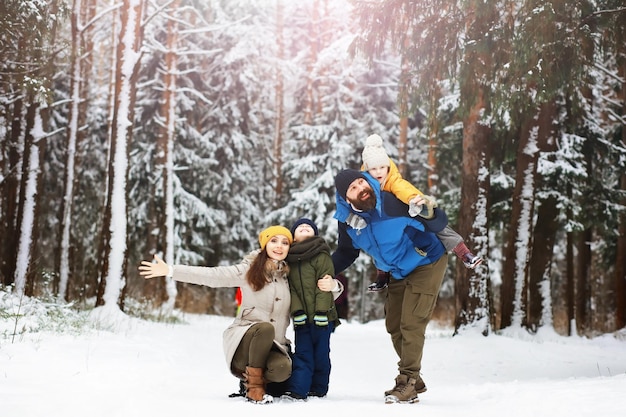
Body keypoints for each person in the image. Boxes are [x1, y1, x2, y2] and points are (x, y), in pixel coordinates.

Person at [138, 225, 343, 404]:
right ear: (264, 244)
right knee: (264, 328)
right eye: (273, 241)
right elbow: (213, 275)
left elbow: (312, 292)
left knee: (282, 371)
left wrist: (334, 285)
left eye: (284, 242)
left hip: (275, 344)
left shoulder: (287, 278)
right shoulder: (249, 270)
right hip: (245, 341)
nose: (279, 246)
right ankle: (253, 387)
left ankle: (259, 381)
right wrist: (172, 270)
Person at [331, 168, 449, 404]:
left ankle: (408, 381)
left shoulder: (392, 201)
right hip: (397, 270)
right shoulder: (349, 223)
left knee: (411, 322)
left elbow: (438, 222)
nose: (361, 189)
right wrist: (322, 272)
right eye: (353, 188)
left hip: (427, 260)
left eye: (361, 182)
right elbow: (346, 252)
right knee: (394, 324)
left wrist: (430, 210)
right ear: (345, 198)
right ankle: (413, 375)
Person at [342, 134, 482, 291]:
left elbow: (405, 190)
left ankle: (463, 252)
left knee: (434, 223)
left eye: (382, 167)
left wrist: (414, 200)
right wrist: (353, 218)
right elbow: (350, 203)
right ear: (367, 171)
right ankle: (382, 274)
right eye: (373, 169)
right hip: (382, 222)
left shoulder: (393, 181)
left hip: (407, 212)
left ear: (388, 166)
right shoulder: (362, 186)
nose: (379, 172)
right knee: (374, 239)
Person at [281, 218, 340, 401]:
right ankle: (299, 389)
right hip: (302, 319)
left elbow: (323, 285)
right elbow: (291, 289)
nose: (304, 227)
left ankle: (319, 388)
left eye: (309, 227)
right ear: (293, 237)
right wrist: (297, 312)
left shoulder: (321, 254)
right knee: (303, 353)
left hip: (323, 317)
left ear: (315, 233)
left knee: (321, 354)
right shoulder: (289, 259)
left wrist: (322, 312)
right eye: (300, 227)